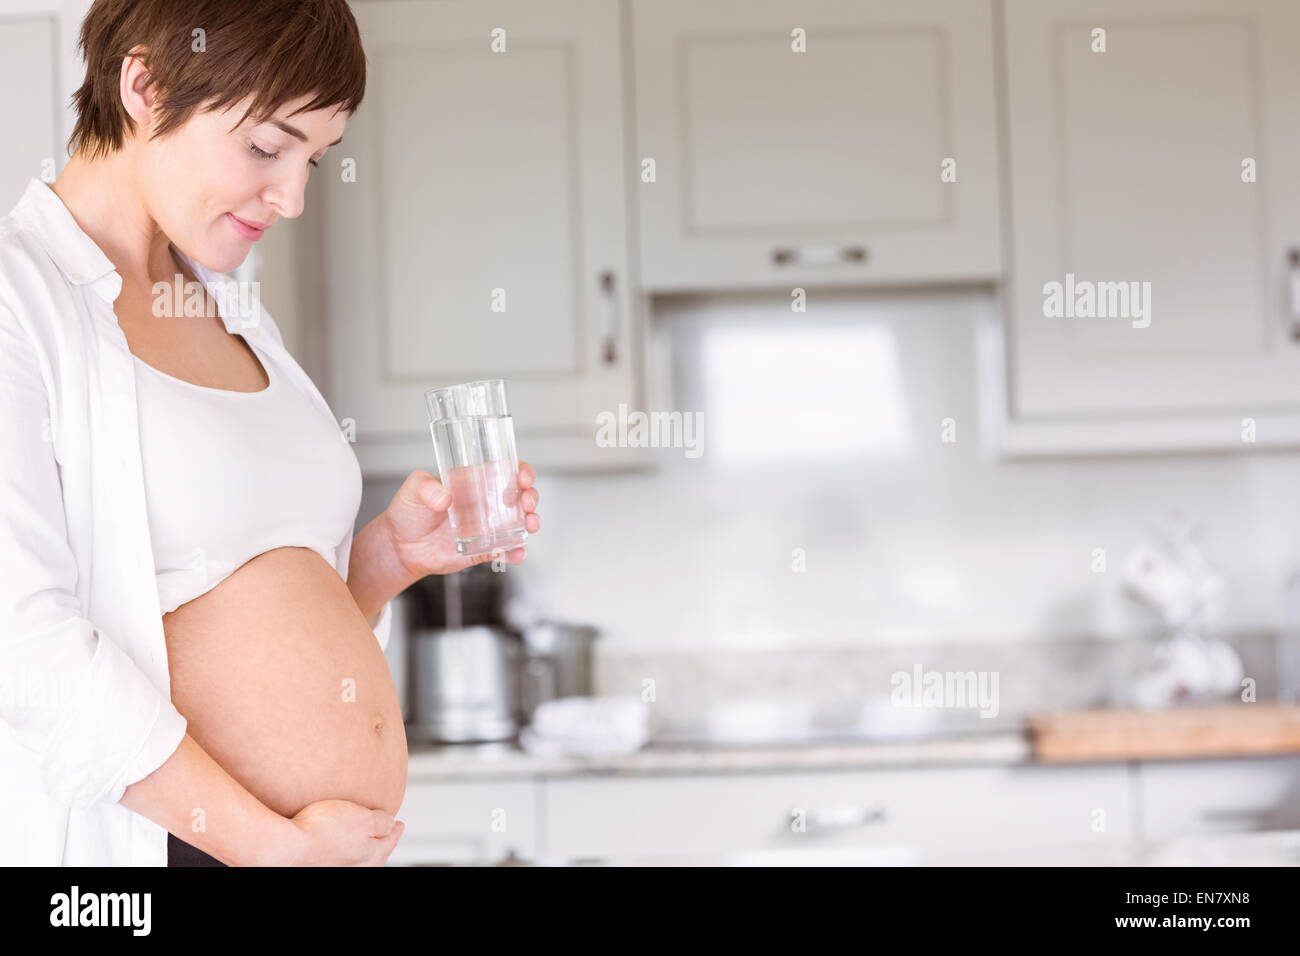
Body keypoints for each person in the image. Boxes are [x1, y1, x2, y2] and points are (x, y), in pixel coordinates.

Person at [0, 0, 541, 866]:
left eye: (314, 160)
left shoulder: (230, 307)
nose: (290, 197)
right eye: (266, 146)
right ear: (144, 83)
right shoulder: (19, 299)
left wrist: (385, 561)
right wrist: (267, 847)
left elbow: (245, 618)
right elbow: (22, 645)